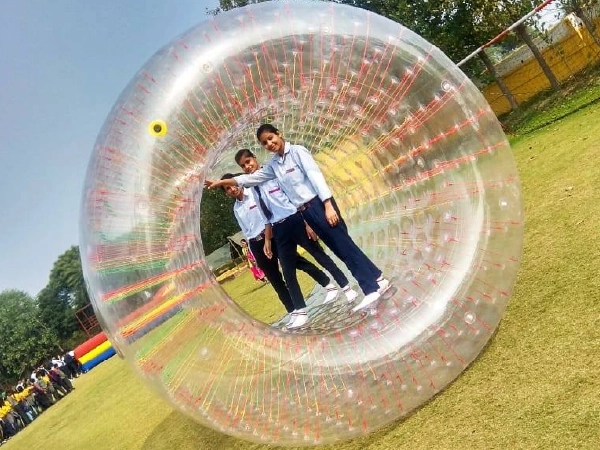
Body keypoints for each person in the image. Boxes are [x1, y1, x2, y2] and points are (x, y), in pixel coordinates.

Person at [206, 124, 389, 312]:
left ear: (279, 134)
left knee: (344, 247)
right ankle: (378, 279)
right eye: (264, 143)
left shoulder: (298, 152)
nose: (269, 143)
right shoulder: (274, 165)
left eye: (271, 138)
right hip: (305, 211)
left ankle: (370, 289)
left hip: (319, 205)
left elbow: (316, 177)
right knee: (341, 248)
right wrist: (222, 182)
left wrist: (327, 204)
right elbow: (249, 179)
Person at [220, 173, 351, 328]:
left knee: (298, 263)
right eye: (227, 189)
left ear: (239, 183)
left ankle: (328, 284)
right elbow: (246, 231)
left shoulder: (254, 193)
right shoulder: (236, 208)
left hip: (273, 235)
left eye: (232, 185)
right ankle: (293, 311)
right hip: (256, 243)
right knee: (274, 278)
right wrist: (253, 251)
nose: (231, 190)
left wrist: (270, 236)